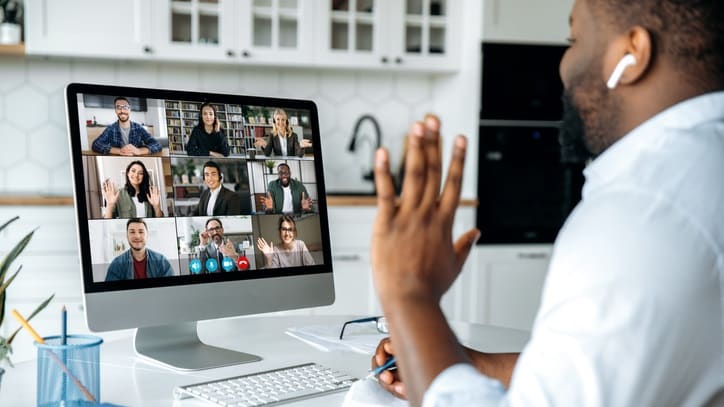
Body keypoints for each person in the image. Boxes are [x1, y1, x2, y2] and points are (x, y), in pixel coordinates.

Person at [369, 1, 724, 406]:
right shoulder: (702, 168)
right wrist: (459, 362)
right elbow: (596, 369)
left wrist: (409, 294)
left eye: (573, 40)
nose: (562, 65)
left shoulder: (643, 213)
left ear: (633, 53)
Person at [105, 218, 173, 281]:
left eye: (141, 232)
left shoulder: (161, 261)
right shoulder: (117, 264)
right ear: (127, 236)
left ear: (147, 235)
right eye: (132, 232)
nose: (137, 236)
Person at [91, 97, 163, 156]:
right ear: (115, 110)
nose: (122, 110)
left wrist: (139, 151)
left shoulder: (139, 128)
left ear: (129, 109)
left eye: (125, 107)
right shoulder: (111, 129)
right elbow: (96, 145)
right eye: (118, 107)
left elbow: (157, 145)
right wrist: (120, 151)